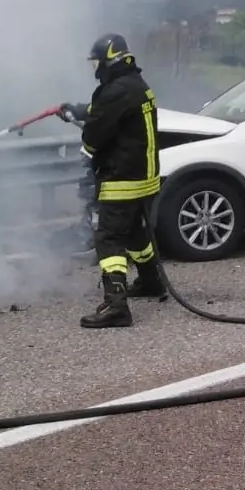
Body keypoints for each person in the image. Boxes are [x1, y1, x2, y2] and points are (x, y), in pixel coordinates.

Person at [58, 32, 165, 328]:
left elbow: (94, 135)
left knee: (108, 237)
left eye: (96, 64)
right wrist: (78, 110)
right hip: (145, 177)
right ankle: (151, 281)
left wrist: (87, 149)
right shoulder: (135, 85)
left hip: (122, 179)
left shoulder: (113, 91)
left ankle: (116, 305)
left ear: (109, 60)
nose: (95, 70)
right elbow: (107, 112)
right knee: (134, 232)